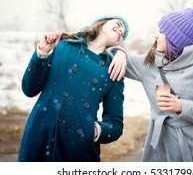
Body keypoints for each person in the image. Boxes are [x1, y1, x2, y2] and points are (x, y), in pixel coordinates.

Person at [109, 3, 193, 162]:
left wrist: (182, 106)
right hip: (163, 152)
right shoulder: (148, 64)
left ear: (174, 39)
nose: (155, 36)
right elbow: (101, 55)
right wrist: (119, 52)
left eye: (161, 32)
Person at [18, 15, 129, 162]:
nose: (122, 30)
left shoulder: (114, 70)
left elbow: (115, 125)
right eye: (119, 24)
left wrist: (94, 131)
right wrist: (42, 53)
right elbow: (29, 89)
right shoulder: (63, 46)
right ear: (102, 23)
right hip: (39, 137)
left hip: (77, 150)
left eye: (124, 33)